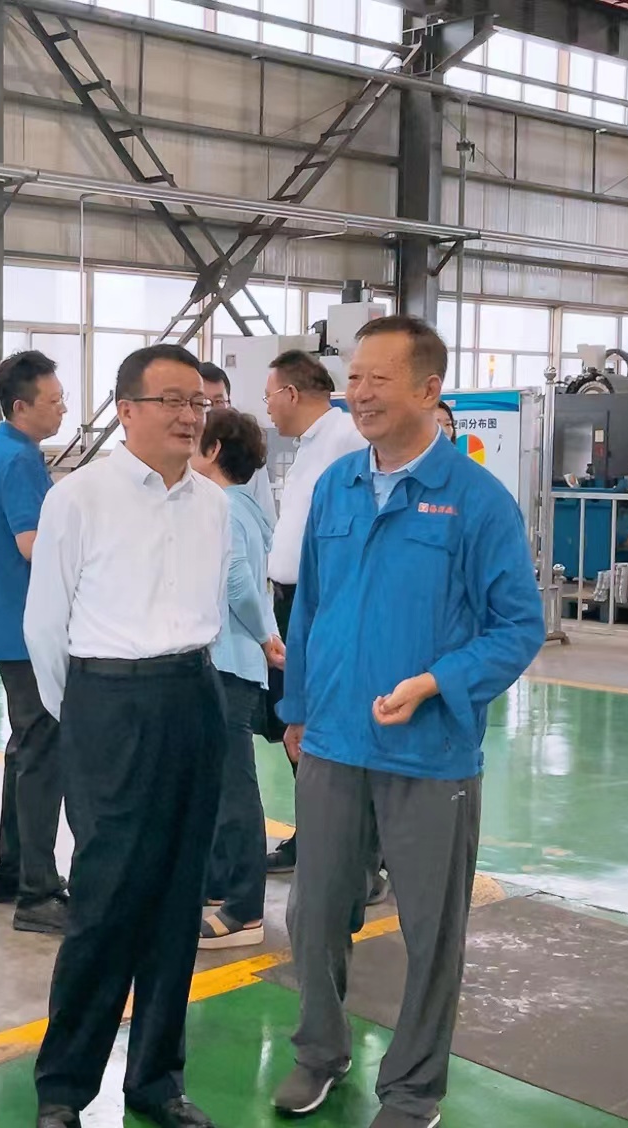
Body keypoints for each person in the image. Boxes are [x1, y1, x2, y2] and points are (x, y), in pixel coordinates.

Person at [272, 315, 544, 1128]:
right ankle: (319, 1051)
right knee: (314, 913)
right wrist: (296, 709)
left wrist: (437, 682)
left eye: (376, 380)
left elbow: (516, 627)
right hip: (333, 740)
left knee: (431, 929)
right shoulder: (337, 485)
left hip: (429, 752)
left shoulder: (477, 503)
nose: (358, 395)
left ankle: (414, 1089)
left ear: (429, 390)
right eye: (353, 379)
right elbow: (311, 609)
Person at [26, 343, 231, 1128]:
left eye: (198, 402)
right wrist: (85, 718)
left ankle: (156, 1081)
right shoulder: (79, 498)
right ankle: (63, 1088)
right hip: (109, 700)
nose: (189, 415)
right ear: (126, 410)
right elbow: (45, 626)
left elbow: (213, 606)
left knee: (179, 899)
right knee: (106, 899)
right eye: (171, 400)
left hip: (194, 697)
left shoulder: (213, 504)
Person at [0, 350, 70, 934]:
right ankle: (39, 892)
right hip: (29, 628)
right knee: (42, 754)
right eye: (53, 402)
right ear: (20, 406)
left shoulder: (4, 451)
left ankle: (14, 872)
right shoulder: (18, 460)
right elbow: (34, 544)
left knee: (25, 748)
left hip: (12, 625)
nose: (63, 410)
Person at [261, 349, 365, 874]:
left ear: (292, 393)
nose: (267, 408)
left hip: (319, 601)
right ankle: (316, 837)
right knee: (297, 725)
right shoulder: (308, 445)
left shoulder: (346, 438)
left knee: (322, 724)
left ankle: (351, 853)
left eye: (269, 396)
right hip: (291, 602)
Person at [191, 407, 283, 951]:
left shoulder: (223, 506)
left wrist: (268, 636)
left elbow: (236, 582)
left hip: (231, 660)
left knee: (233, 787)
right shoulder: (247, 506)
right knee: (218, 783)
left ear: (216, 450)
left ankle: (245, 910)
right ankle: (220, 884)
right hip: (233, 660)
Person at [200, 361, 277, 523]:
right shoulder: (185, 452)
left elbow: (267, 517)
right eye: (202, 403)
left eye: (218, 402)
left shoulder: (246, 453)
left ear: (229, 403)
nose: (210, 410)